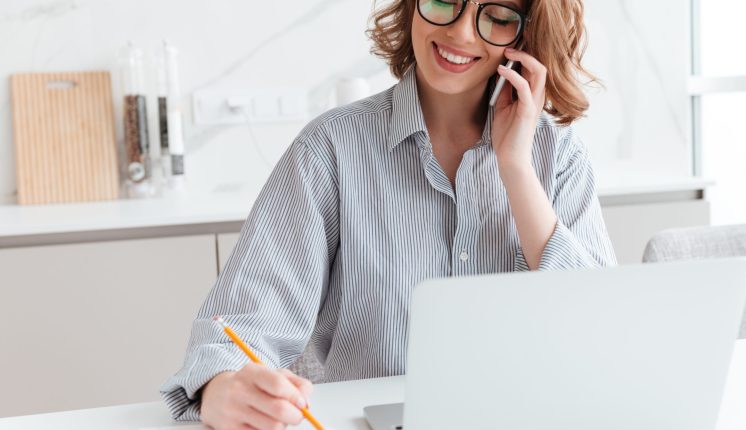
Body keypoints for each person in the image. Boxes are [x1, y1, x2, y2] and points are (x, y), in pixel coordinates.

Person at [161, 0, 616, 428]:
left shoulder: (559, 155)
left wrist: (515, 167)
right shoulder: (330, 149)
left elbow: (603, 336)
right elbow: (237, 329)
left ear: (525, 37)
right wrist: (222, 388)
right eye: (443, 1)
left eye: (497, 15)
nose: (460, 32)